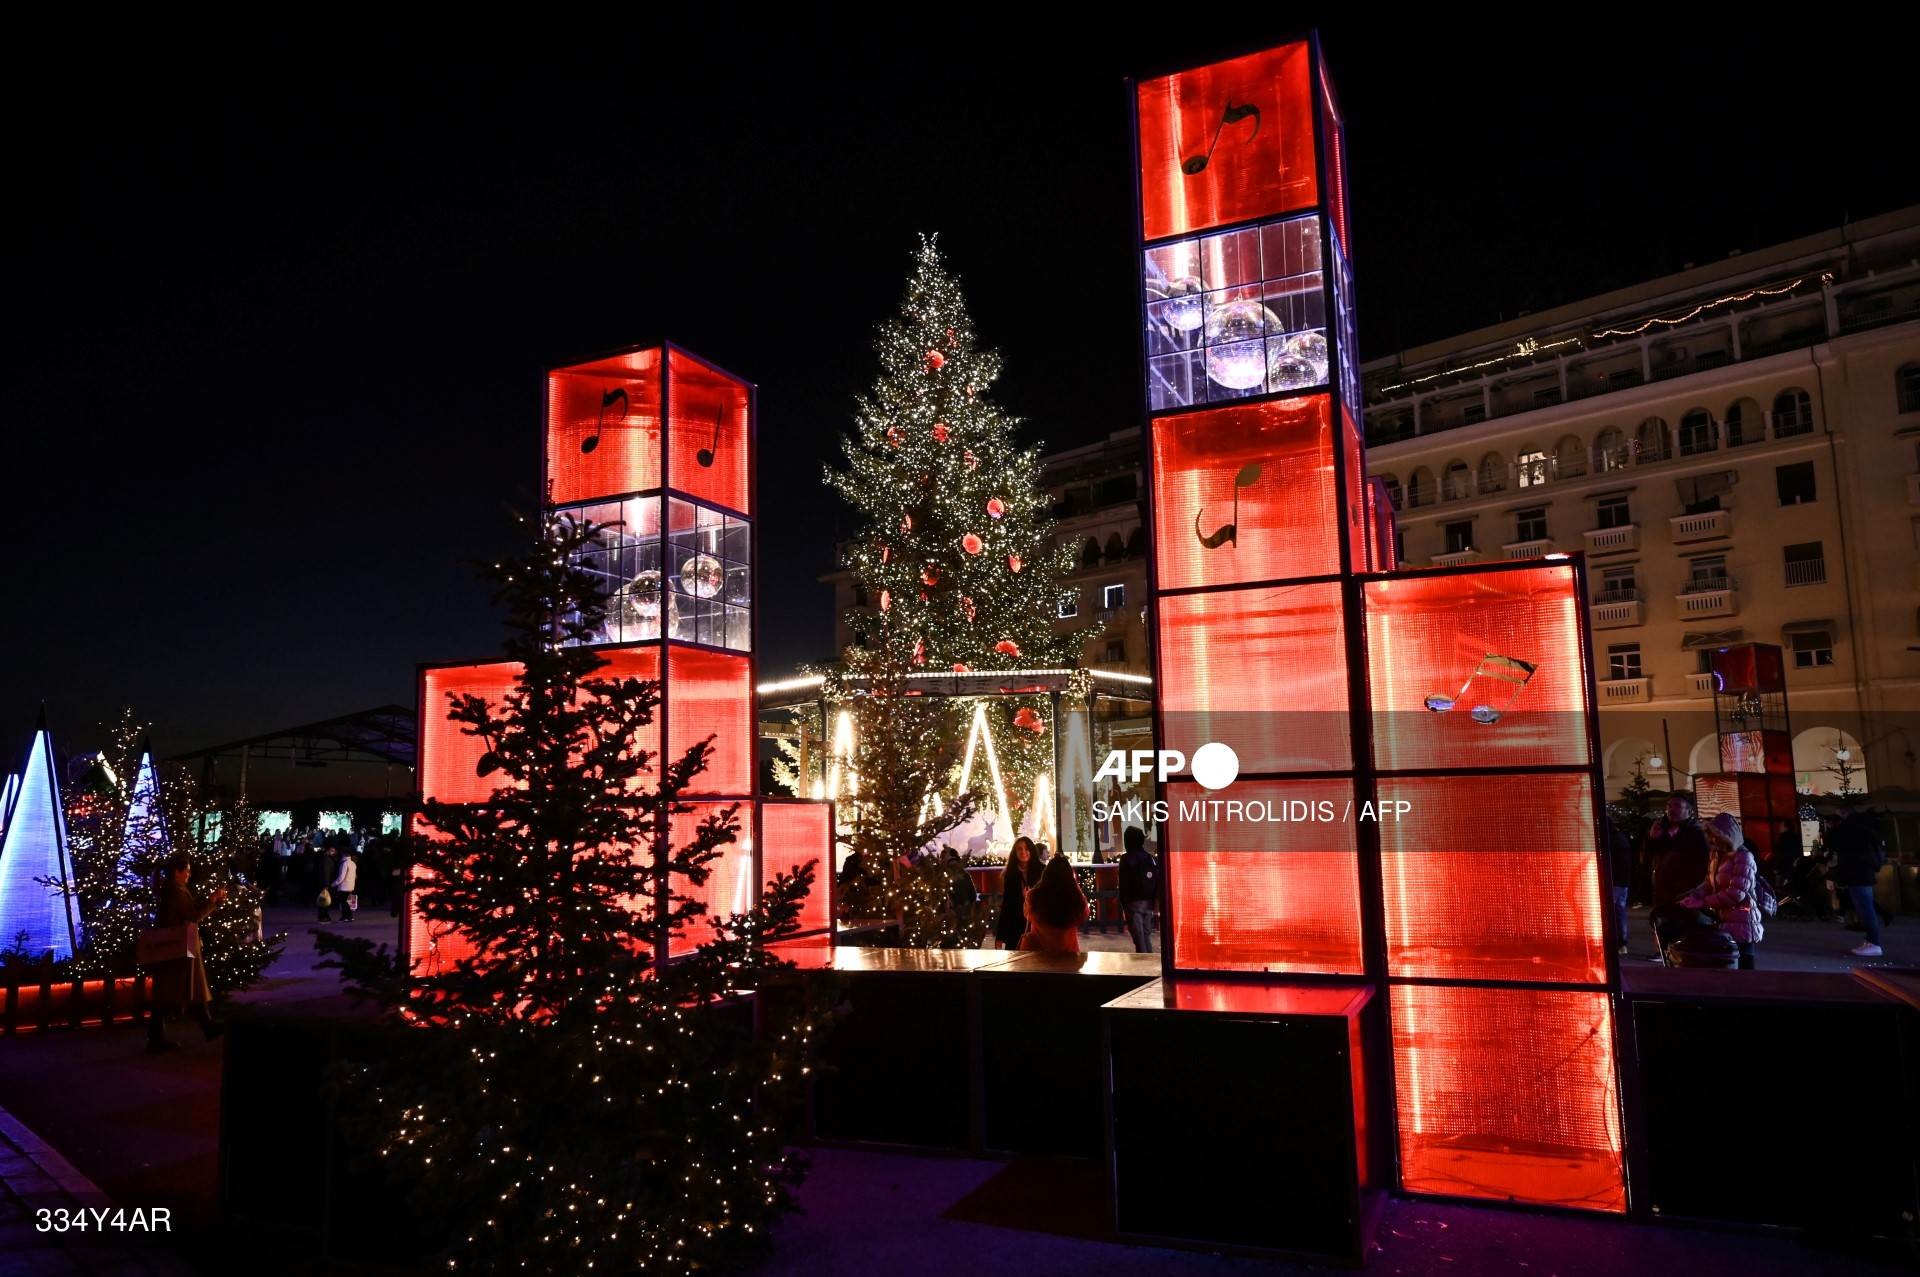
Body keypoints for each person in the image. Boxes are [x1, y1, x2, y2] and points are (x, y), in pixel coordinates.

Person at [146, 853, 228, 1052]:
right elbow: (192, 916)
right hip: (179, 948)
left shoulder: (173, 890)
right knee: (174, 991)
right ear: (178, 872)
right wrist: (213, 900)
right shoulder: (175, 891)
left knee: (188, 987)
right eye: (187, 871)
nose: (189, 875)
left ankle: (205, 1025)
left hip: (180, 946)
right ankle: (159, 1037)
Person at [1680, 812, 1763, 969]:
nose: (1712, 840)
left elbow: (1736, 893)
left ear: (1727, 835)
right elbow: (1709, 883)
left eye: (1716, 835)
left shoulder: (1743, 857)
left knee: (1744, 969)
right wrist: (1693, 896)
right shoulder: (1717, 855)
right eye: (1710, 835)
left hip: (1742, 921)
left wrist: (1702, 902)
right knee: (1727, 967)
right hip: (1723, 919)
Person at [1645, 792, 1710, 962]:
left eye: (1677, 806)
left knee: (1680, 922)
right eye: (1669, 806)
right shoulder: (1662, 829)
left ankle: (1678, 952)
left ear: (1689, 811)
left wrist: (1691, 887)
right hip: (1662, 887)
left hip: (1683, 889)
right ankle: (1663, 951)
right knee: (1661, 921)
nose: (1671, 810)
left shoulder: (1694, 833)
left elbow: (1699, 863)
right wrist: (1652, 839)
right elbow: (1648, 857)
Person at [1827, 805, 1887, 958]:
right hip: (1862, 872)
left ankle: (1874, 943)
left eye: (1838, 816)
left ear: (1844, 813)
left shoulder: (1851, 828)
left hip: (1857, 873)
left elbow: (1841, 848)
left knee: (1865, 908)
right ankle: (1871, 941)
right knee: (1865, 907)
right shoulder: (1863, 826)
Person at [1021, 855, 1089, 954]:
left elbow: (1027, 915)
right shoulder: (1075, 897)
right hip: (1068, 952)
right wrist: (1075, 887)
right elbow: (1084, 915)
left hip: (1040, 953)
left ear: (1046, 873)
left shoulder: (1034, 896)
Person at [1117, 826, 1159, 954]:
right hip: (1149, 903)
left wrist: (1124, 903)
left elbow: (1123, 884)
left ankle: (1143, 968)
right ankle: (1150, 964)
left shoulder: (1126, 859)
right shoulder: (1151, 859)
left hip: (1133, 903)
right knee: (1145, 936)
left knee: (1139, 939)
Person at [992, 838, 1036, 950]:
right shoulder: (1010, 875)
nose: (1023, 852)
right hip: (1015, 928)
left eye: (1026, 848)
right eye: (1019, 849)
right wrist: (1000, 936)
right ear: (1015, 852)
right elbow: (1007, 906)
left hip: (1037, 927)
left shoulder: (1041, 871)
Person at [1604, 812, 1634, 955]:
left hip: (1615, 881)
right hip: (1621, 881)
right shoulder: (1620, 838)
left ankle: (1618, 943)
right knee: (1618, 912)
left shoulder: (1611, 840)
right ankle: (1621, 944)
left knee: (1612, 912)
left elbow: (1618, 863)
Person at [334, 848, 359, 922]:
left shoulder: (344, 863)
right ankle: (350, 916)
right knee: (349, 902)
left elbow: (341, 877)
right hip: (351, 886)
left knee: (343, 903)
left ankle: (344, 917)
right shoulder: (353, 863)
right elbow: (355, 876)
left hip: (343, 886)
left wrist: (334, 884)